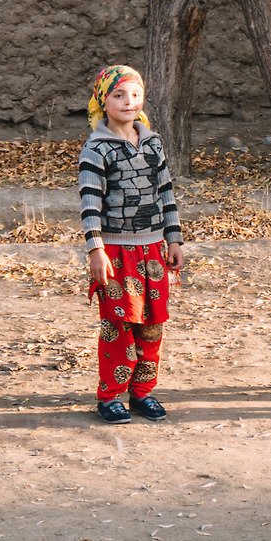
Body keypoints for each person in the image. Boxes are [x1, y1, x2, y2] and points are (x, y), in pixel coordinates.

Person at [78, 65, 185, 424]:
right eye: (119, 95)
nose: (129, 101)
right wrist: (96, 250)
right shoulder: (96, 150)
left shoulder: (153, 143)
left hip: (154, 249)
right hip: (116, 252)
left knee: (152, 324)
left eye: (135, 94)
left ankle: (142, 393)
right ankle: (109, 397)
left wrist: (174, 239)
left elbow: (166, 193)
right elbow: (90, 202)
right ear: (102, 101)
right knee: (118, 324)